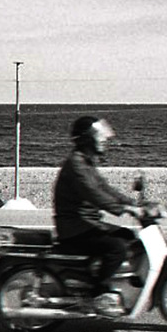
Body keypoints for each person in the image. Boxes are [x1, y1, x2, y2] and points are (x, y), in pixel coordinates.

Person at [53, 116, 143, 316]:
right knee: (117, 248)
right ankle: (96, 293)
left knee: (128, 236)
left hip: (86, 223)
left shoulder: (86, 162)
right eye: (98, 136)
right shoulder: (76, 165)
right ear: (87, 139)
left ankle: (113, 280)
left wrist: (133, 204)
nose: (103, 140)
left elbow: (104, 188)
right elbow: (94, 194)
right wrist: (124, 209)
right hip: (75, 228)